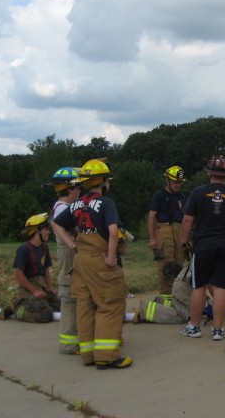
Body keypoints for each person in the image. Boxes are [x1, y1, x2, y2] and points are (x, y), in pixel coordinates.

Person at [52, 158, 132, 370]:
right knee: (110, 304)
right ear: (103, 182)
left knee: (85, 306)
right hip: (99, 259)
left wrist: (71, 244)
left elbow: (55, 223)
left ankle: (88, 354)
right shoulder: (106, 203)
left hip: (80, 260)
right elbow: (113, 232)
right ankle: (107, 356)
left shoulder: (76, 203)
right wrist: (110, 258)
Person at [179, 156, 225, 341]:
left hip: (204, 245)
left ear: (209, 173)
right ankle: (218, 330)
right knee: (221, 287)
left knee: (199, 286)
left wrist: (185, 242)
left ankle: (194, 327)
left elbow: (187, 220)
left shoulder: (197, 193)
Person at [0, 213, 61, 322]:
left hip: (42, 286)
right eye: (46, 229)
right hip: (27, 290)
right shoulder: (24, 249)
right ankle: (18, 307)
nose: (49, 232)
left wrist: (50, 288)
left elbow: (46, 270)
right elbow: (18, 274)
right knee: (45, 315)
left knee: (63, 306)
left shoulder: (44, 248)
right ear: (37, 231)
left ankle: (40, 303)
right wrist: (34, 291)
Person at [47, 166, 82, 354]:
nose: (79, 190)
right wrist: (72, 243)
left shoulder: (61, 206)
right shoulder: (63, 208)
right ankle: (69, 344)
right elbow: (57, 225)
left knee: (74, 296)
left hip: (69, 253)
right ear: (69, 188)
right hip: (68, 254)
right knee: (69, 297)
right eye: (77, 186)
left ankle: (75, 339)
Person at [148, 166, 186, 297]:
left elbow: (185, 217)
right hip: (163, 232)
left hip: (178, 231)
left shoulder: (180, 196)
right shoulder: (159, 195)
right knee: (165, 266)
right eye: (175, 182)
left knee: (178, 265)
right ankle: (165, 299)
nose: (177, 185)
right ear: (168, 180)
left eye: (179, 182)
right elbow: (152, 216)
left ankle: (176, 296)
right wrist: (152, 239)